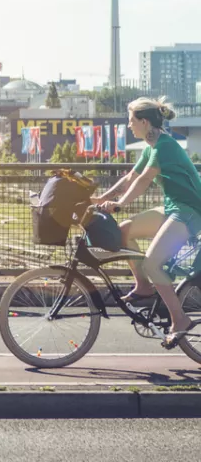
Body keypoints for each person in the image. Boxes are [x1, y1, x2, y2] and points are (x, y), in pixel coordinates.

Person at [91, 96, 201, 348]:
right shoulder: (152, 147)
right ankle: (143, 287)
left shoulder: (165, 146)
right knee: (124, 230)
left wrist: (119, 204)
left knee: (153, 264)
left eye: (131, 121)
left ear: (144, 122)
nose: (129, 126)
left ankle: (179, 319)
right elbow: (132, 175)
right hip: (174, 207)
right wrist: (102, 198)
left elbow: (143, 181)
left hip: (191, 211)